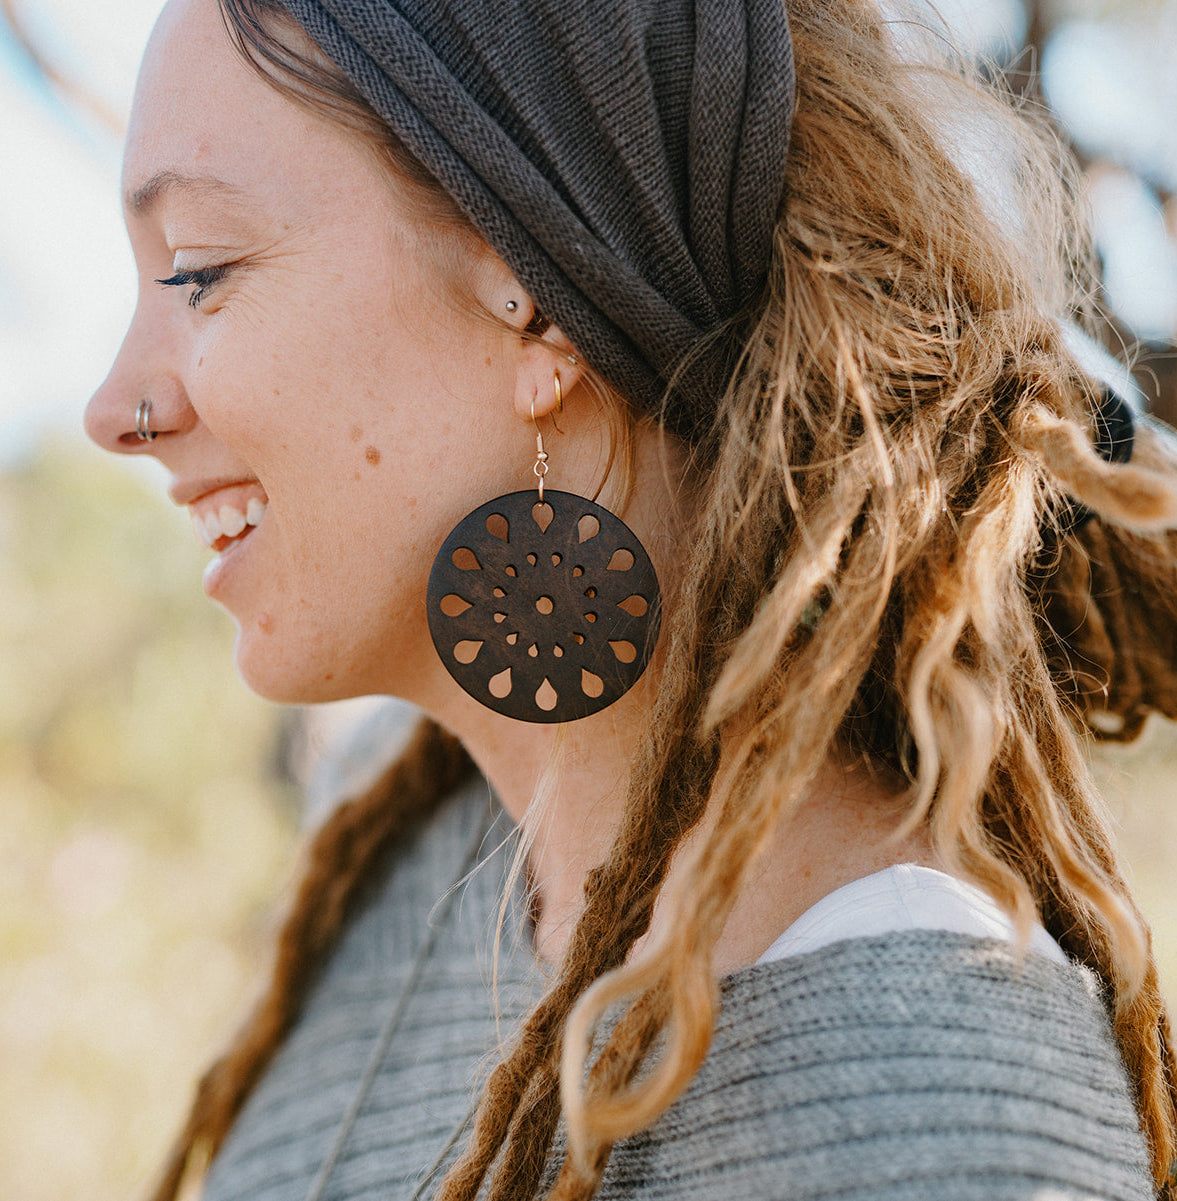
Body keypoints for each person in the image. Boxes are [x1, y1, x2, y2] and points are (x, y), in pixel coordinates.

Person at [84, 0, 1177, 1197]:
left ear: (535, 297)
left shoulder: (928, 1121)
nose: (116, 409)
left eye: (200, 271)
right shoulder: (412, 850)